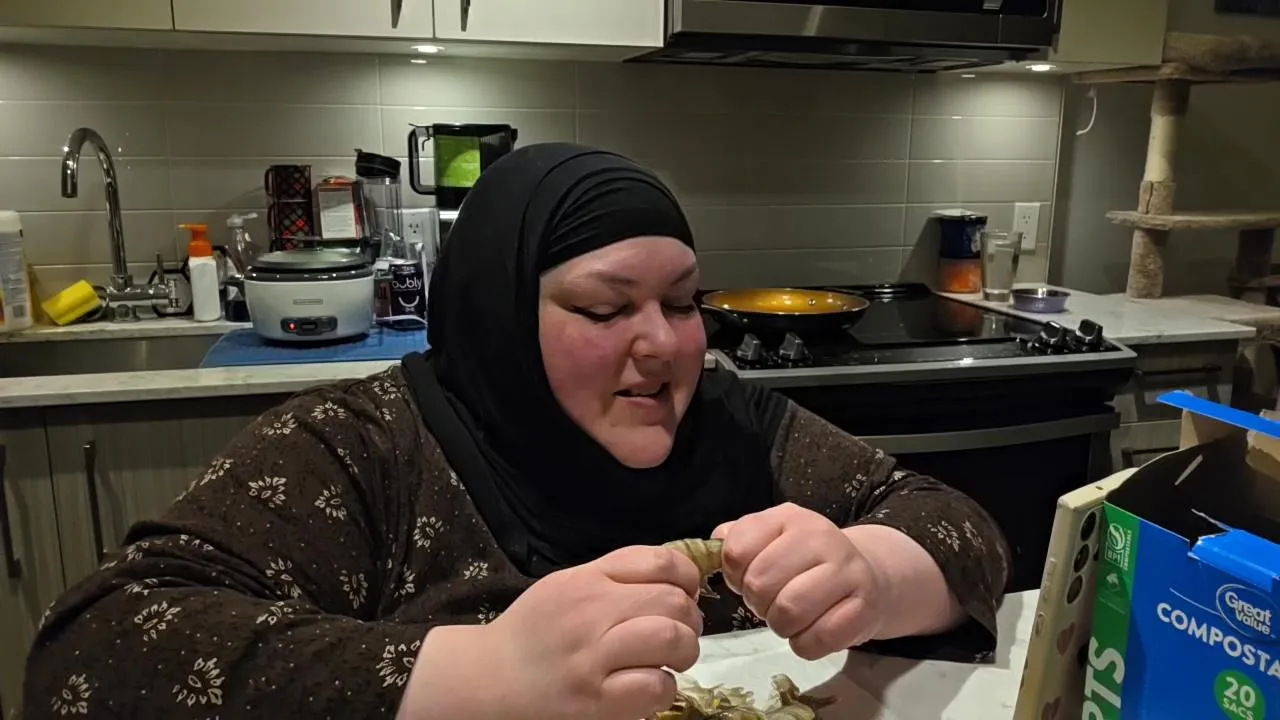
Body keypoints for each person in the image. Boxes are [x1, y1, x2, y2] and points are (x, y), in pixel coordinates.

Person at [23, 143, 1009, 720]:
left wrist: (871, 574)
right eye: (603, 309)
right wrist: (483, 674)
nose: (663, 345)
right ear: (499, 319)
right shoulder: (367, 449)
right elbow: (92, 656)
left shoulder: (731, 419)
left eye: (680, 302)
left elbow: (959, 530)